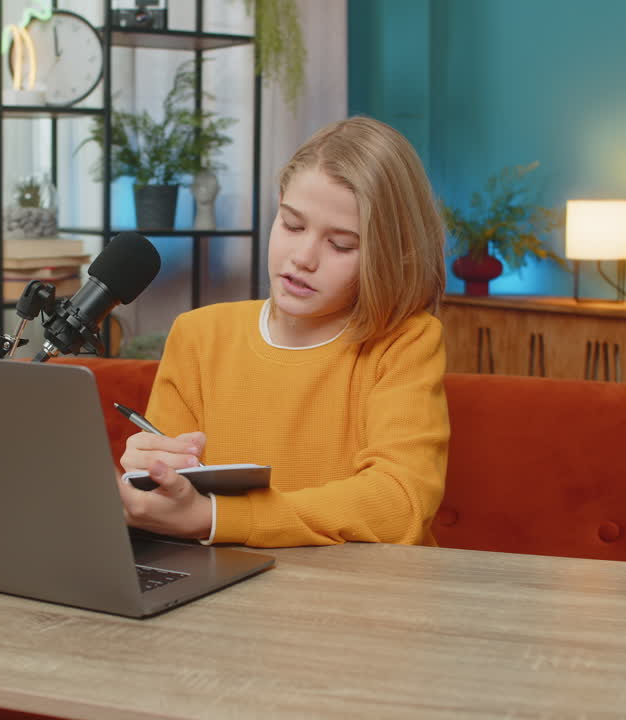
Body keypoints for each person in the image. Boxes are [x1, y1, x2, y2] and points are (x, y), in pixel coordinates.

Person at [117, 116, 449, 548]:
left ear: (390, 255)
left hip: (369, 601)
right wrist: (147, 478)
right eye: (292, 225)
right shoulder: (198, 335)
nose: (303, 257)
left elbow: (399, 504)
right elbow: (168, 507)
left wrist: (218, 517)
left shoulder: (406, 342)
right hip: (229, 595)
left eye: (341, 244)